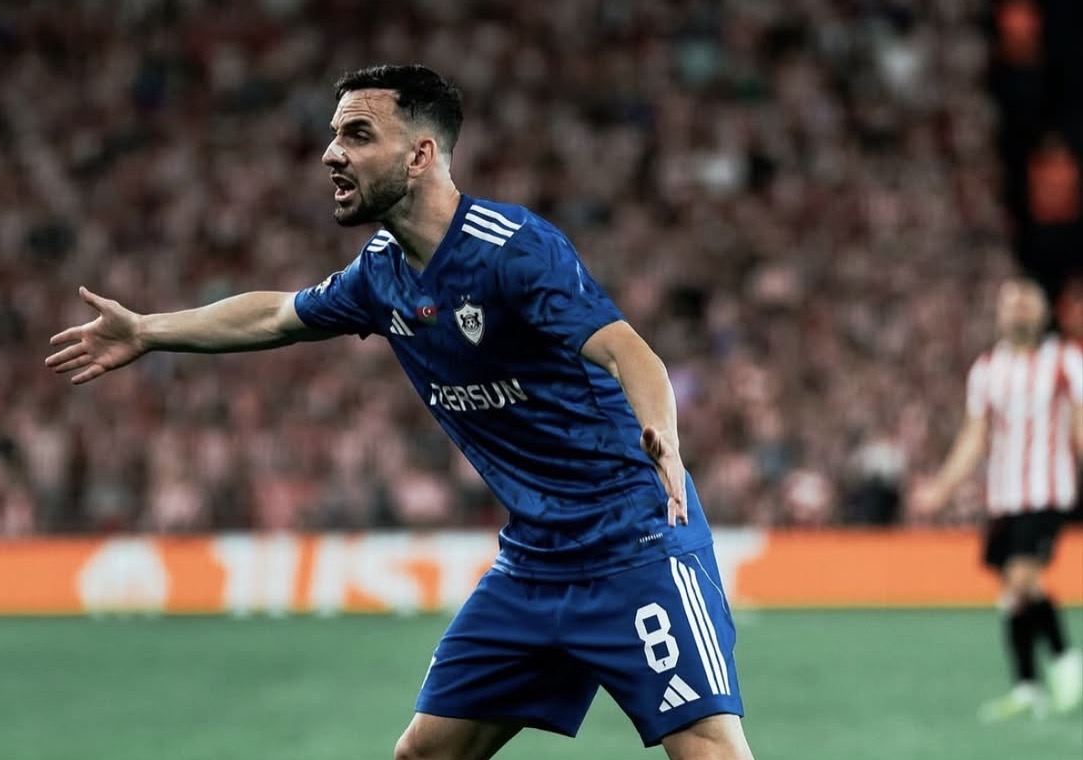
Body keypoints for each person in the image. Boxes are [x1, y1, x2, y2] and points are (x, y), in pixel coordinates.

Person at [46, 64, 755, 760]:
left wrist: (663, 436)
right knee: (425, 753)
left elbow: (630, 353)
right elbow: (275, 316)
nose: (331, 153)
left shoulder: (513, 250)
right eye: (334, 136)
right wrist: (149, 331)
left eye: (357, 135)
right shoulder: (380, 273)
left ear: (419, 155)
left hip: (635, 543)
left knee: (707, 751)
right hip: (536, 562)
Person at [914, 276, 1083, 722]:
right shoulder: (987, 369)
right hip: (1003, 495)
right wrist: (942, 488)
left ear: (1043, 311)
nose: (1019, 308)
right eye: (1011, 302)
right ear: (999, 312)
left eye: (1027, 301)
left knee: (1022, 579)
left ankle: (1066, 658)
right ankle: (1027, 687)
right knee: (1013, 591)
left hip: (1047, 490)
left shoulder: (1066, 361)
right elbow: (975, 437)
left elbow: (1080, 425)